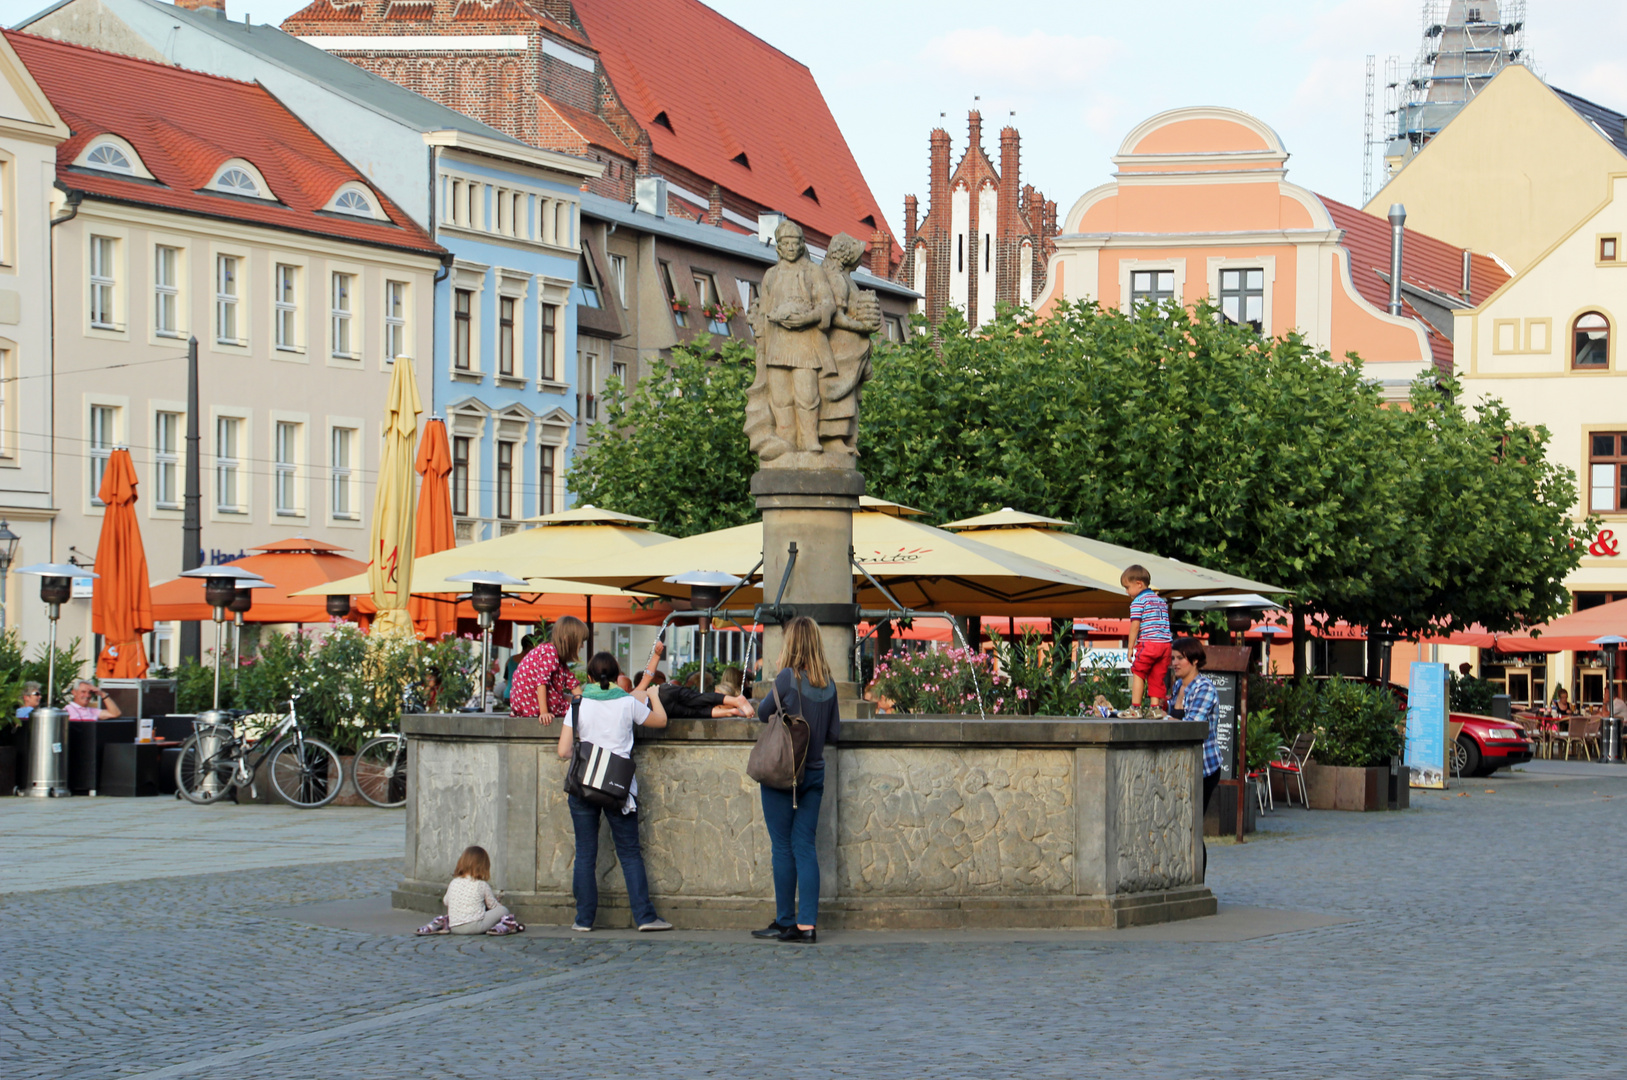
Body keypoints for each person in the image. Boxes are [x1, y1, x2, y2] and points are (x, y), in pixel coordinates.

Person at [556, 651, 672, 932]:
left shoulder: (578, 704)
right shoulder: (626, 702)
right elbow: (661, 721)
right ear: (617, 673)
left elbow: (563, 751)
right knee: (630, 853)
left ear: (590, 677)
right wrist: (654, 695)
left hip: (583, 786)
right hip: (618, 787)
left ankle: (583, 920)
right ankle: (644, 917)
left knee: (585, 853)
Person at [752, 616, 840, 944]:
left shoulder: (788, 678)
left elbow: (763, 713)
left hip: (783, 774)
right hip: (814, 773)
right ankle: (807, 925)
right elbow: (833, 733)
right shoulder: (828, 684)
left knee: (782, 846)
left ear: (792, 644)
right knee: (805, 846)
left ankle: (785, 920)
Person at [1168, 637, 1220, 879]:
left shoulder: (1204, 688)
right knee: (1179, 824)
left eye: (1180, 658)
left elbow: (1191, 727)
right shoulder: (1177, 687)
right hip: (1180, 766)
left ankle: (1198, 880)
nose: (1175, 663)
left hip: (1203, 767)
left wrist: (1162, 718)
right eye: (1173, 658)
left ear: (1195, 660)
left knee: (1192, 825)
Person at [417, 845, 524, 936]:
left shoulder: (454, 882)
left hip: (455, 927)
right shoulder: (481, 884)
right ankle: (504, 925)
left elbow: (446, 901)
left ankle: (441, 923)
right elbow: (493, 906)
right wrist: (497, 903)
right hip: (474, 926)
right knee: (503, 910)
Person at [510, 616, 587, 725]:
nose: (582, 646)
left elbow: (572, 684)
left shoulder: (556, 656)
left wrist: (585, 702)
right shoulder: (549, 652)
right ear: (567, 639)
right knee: (576, 708)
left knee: (577, 702)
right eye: (580, 642)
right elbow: (541, 682)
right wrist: (544, 712)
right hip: (533, 705)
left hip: (526, 704)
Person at [1122, 565, 1171, 718]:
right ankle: (1155, 708)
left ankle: (1135, 708)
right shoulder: (1161, 601)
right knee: (1157, 676)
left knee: (1139, 672)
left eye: (1127, 587)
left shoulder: (1138, 601)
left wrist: (1130, 647)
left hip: (1149, 643)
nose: (1126, 592)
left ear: (1139, 584)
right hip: (1165, 645)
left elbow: (1135, 626)